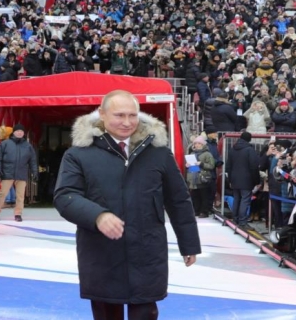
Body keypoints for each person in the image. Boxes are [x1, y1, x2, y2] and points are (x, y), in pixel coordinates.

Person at [53, 90, 201, 320]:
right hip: (101, 253)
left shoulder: (159, 153)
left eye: (132, 115)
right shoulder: (78, 154)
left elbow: (178, 200)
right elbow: (65, 196)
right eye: (119, 115)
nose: (127, 122)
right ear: (102, 114)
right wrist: (98, 216)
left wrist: (189, 243)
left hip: (147, 252)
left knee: (145, 312)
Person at [0, 124, 38, 222]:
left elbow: (33, 160)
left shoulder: (28, 146)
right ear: (13, 132)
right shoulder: (5, 144)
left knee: (20, 195)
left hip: (22, 173)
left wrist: (34, 172)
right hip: (7, 172)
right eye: (17, 131)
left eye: (21, 131)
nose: (19, 133)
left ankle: (18, 214)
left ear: (24, 133)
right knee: (2, 193)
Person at [225, 131, 260, 231]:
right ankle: (243, 222)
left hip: (234, 179)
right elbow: (254, 167)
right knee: (245, 200)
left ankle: (235, 219)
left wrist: (230, 179)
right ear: (249, 139)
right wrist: (256, 180)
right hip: (247, 180)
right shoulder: (250, 150)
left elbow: (228, 166)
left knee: (237, 199)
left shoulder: (232, 149)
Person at [185, 135, 216, 218]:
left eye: (199, 143)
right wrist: (187, 165)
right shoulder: (192, 154)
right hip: (194, 178)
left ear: (202, 144)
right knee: (195, 195)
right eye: (195, 143)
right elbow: (191, 167)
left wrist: (201, 164)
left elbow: (211, 166)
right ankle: (196, 210)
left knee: (204, 196)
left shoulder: (207, 154)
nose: (197, 145)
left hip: (203, 178)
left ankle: (204, 212)